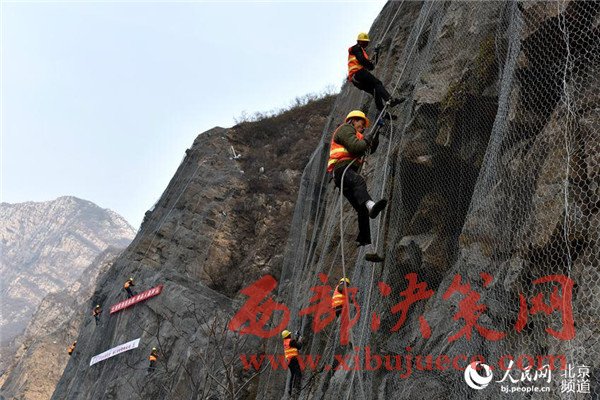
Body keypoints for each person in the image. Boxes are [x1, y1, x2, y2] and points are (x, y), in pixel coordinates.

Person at [327, 110, 387, 262]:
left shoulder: (357, 135)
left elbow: (369, 149)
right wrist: (367, 140)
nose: (363, 126)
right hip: (342, 169)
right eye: (361, 122)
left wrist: (376, 133)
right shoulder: (345, 129)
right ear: (353, 120)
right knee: (359, 182)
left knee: (362, 210)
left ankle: (368, 247)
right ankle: (371, 205)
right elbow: (356, 147)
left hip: (346, 173)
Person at [348, 32, 403, 114]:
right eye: (364, 42)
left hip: (355, 80)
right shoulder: (356, 48)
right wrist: (370, 65)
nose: (365, 44)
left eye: (366, 42)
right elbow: (363, 61)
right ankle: (390, 100)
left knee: (375, 91)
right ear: (359, 41)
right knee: (377, 83)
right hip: (358, 73)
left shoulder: (361, 52)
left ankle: (382, 112)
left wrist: (377, 53)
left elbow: (371, 65)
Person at [281, 330, 303, 396]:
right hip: (293, 360)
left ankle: (290, 390)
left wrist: (296, 338)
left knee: (293, 375)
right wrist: (300, 340)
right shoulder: (291, 341)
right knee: (298, 373)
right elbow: (299, 346)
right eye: (289, 334)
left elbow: (293, 344)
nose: (290, 335)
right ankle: (297, 388)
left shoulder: (285, 342)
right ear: (288, 335)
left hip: (289, 361)